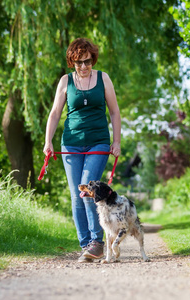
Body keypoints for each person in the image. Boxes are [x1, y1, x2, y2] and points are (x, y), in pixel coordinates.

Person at [43, 38, 122, 262]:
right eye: (79, 63)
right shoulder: (65, 81)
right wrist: (48, 142)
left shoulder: (103, 78)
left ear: (93, 59)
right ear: (72, 63)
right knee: (76, 195)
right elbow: (55, 113)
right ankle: (86, 243)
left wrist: (116, 142)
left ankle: (97, 242)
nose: (84, 67)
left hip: (98, 142)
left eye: (87, 62)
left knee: (88, 188)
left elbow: (115, 112)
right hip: (70, 144)